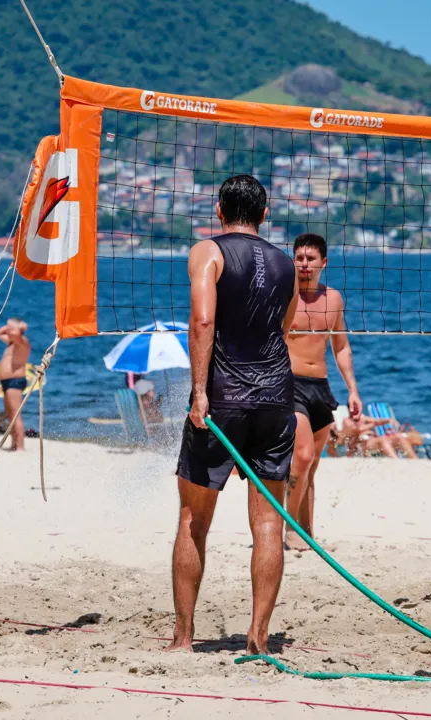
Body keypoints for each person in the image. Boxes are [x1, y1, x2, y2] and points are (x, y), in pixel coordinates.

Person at [168, 174, 298, 655]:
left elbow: (203, 320)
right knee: (268, 525)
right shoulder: (287, 264)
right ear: (265, 214)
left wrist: (199, 390)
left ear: (219, 211)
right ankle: (259, 636)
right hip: (276, 399)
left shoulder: (209, 252)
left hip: (223, 399)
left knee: (192, 520)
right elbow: (283, 330)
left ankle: (183, 637)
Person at [283, 233, 362, 551]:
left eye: (310, 258)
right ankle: (289, 530)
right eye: (299, 258)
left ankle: (307, 534)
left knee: (312, 465)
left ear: (323, 262)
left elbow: (341, 348)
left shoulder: (334, 299)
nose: (304, 264)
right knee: (301, 457)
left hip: (320, 386)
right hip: (288, 385)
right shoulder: (284, 296)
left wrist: (353, 391)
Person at [0, 318, 31, 451]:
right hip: (6, 382)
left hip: (15, 381)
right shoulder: (12, 343)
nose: (7, 330)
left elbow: (16, 335)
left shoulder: (23, 343)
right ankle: (14, 443)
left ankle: (20, 447)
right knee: (10, 415)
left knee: (16, 415)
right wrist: (11, 326)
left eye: (10, 328)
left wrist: (19, 328)